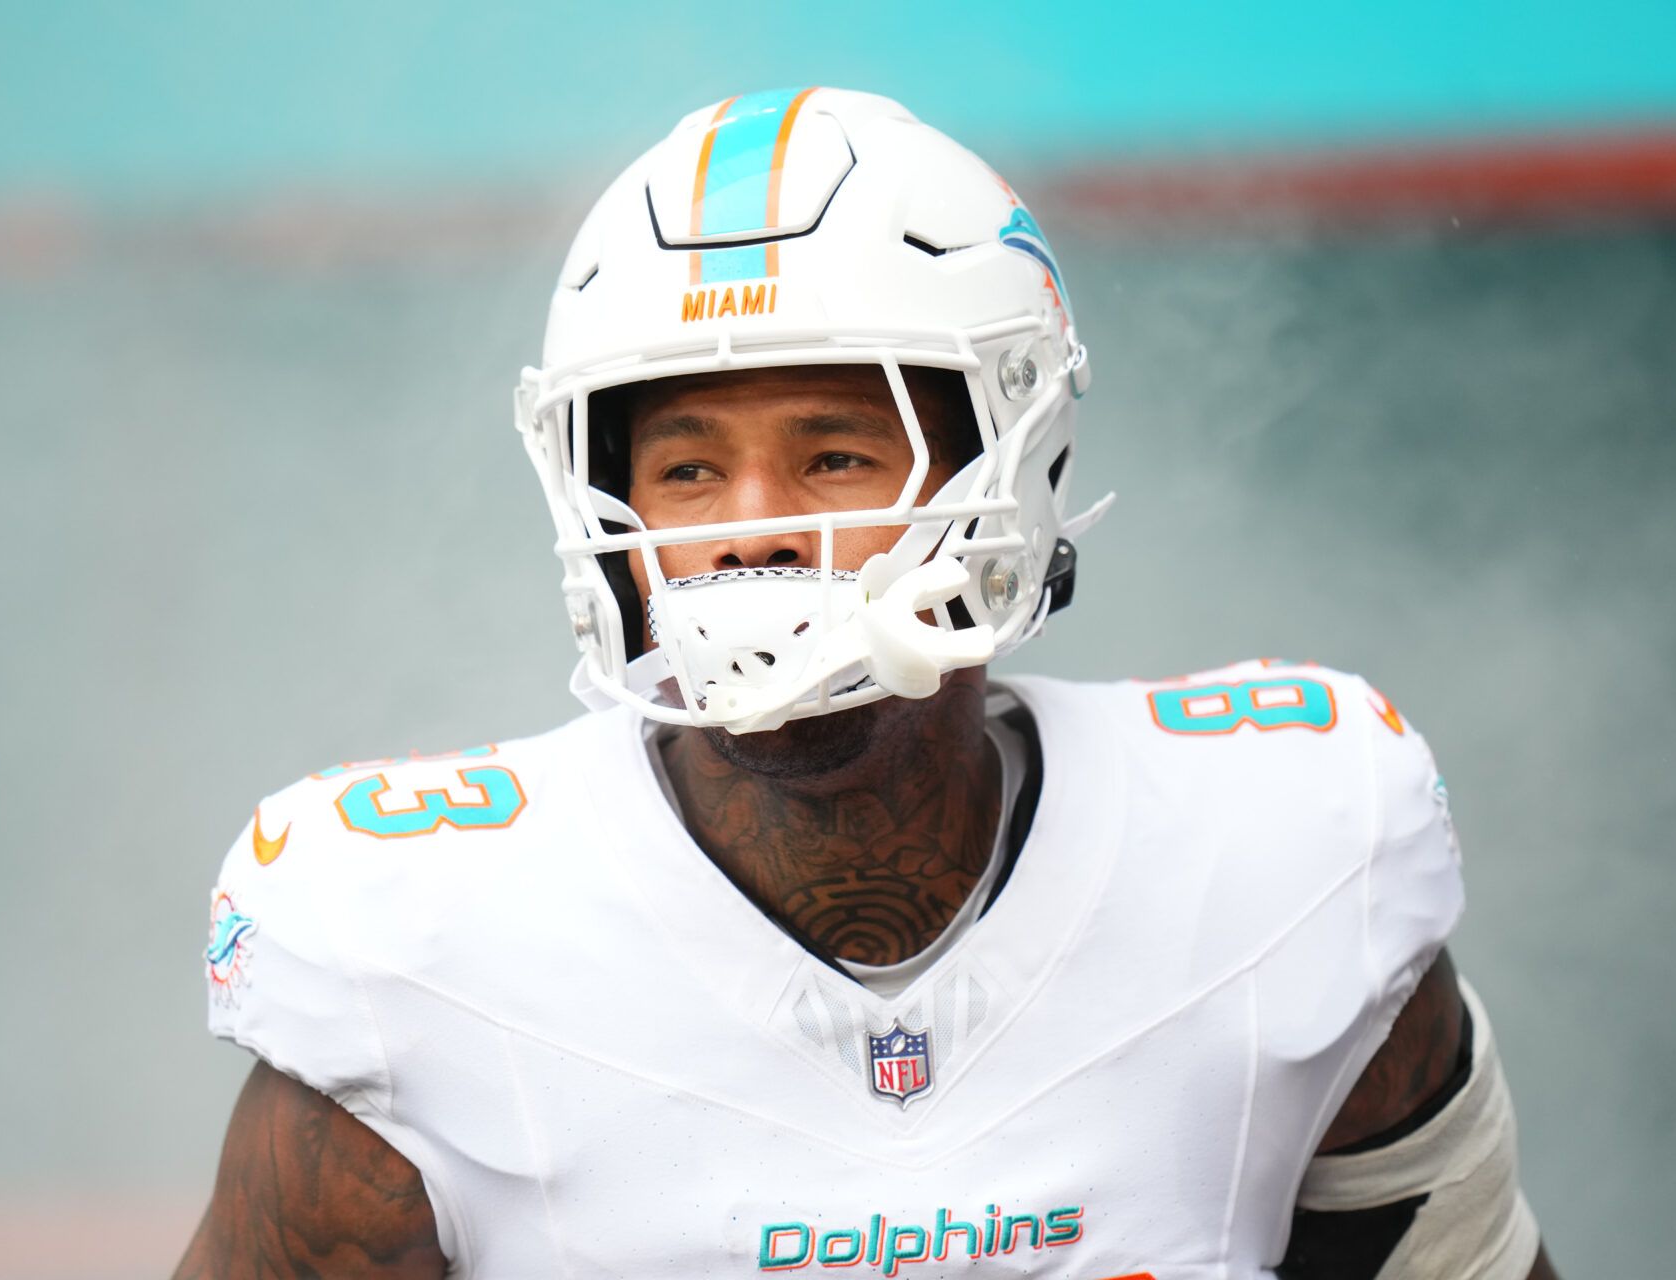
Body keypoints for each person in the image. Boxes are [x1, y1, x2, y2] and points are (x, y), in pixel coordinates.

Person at [178, 88, 1556, 1279]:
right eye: (687, 468)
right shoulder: (418, 948)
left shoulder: (1282, 869)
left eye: (837, 454)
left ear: (1004, 471)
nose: (752, 525)